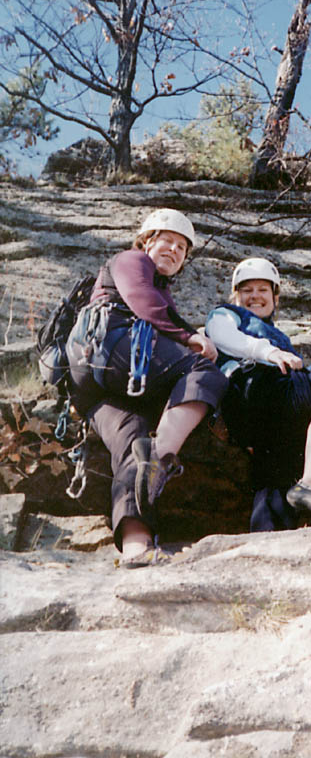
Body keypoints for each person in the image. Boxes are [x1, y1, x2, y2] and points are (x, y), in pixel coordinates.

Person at [66, 208, 227, 567]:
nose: (173, 250)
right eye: (166, 240)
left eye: (182, 248)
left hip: (99, 383)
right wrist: (191, 337)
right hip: (113, 349)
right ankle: (161, 455)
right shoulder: (130, 260)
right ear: (145, 241)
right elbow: (142, 300)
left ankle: (136, 548)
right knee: (207, 372)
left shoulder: (163, 290)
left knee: (130, 442)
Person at [205, 257, 311, 532]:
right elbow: (220, 335)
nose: (255, 296)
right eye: (247, 290)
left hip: (258, 411)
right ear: (235, 296)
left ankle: (267, 537)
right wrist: (269, 352)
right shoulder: (227, 314)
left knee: (277, 477)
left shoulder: (280, 340)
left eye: (263, 290)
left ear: (275, 298)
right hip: (254, 385)